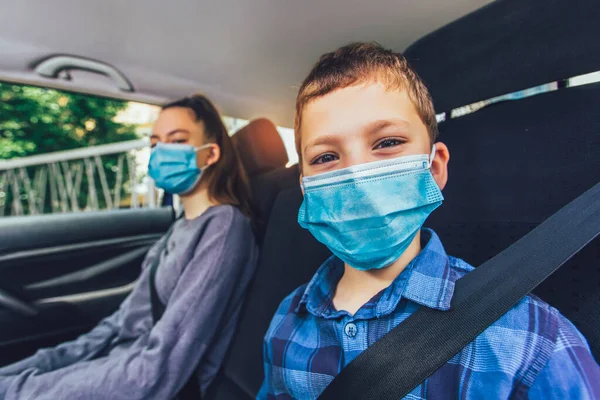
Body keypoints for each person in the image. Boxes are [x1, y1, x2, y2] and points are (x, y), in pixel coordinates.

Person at [258, 43, 600, 399]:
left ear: (433, 169)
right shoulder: (286, 320)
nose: (357, 175)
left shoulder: (532, 341)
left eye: (388, 142)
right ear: (306, 188)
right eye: (326, 156)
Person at [0, 94, 259, 399]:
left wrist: (21, 390)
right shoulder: (179, 227)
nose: (161, 152)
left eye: (175, 141)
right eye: (154, 143)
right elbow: (123, 321)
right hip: (119, 365)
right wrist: (37, 367)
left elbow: (159, 368)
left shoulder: (224, 226)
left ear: (210, 154)